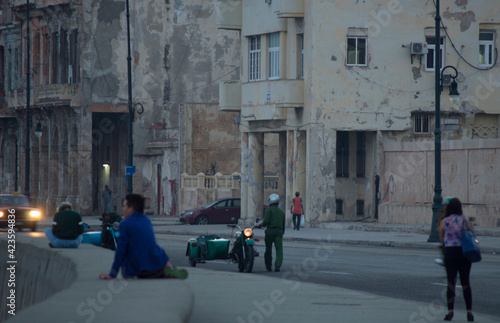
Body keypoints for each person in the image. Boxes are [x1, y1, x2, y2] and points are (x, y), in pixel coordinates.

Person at [99, 194, 187, 280]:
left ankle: (162, 273)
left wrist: (112, 274)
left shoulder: (125, 224)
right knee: (155, 248)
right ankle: (170, 269)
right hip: (157, 262)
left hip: (137, 269)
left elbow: (121, 250)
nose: (122, 209)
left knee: (132, 252)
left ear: (131, 209)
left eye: (124, 206)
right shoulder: (146, 220)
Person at [438, 197, 474, 322]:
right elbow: (469, 235)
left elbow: (442, 239)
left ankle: (450, 311)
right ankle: (469, 311)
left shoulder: (444, 221)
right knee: (465, 283)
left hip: (450, 252)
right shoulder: (465, 221)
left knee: (451, 283)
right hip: (464, 253)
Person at [257, 194, 285, 272]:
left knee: (268, 249)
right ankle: (278, 265)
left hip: (270, 231)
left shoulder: (268, 210)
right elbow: (283, 225)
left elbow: (266, 221)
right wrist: (282, 232)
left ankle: (268, 265)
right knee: (279, 250)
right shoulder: (281, 212)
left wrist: (260, 225)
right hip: (279, 232)